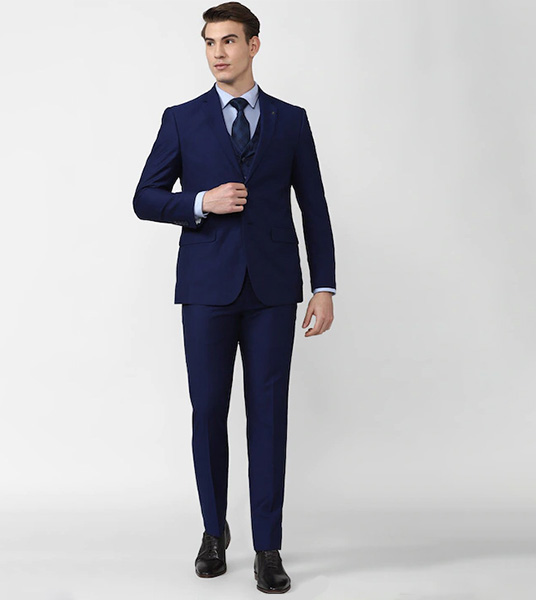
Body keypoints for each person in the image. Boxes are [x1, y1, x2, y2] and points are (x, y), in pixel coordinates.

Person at [132, 1, 336, 593]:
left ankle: (267, 547)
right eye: (208, 42)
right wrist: (200, 202)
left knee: (269, 418)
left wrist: (323, 286)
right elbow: (145, 197)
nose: (217, 52)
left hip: (273, 290)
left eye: (228, 40)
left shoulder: (291, 120)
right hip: (206, 289)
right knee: (208, 414)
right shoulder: (182, 119)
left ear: (253, 45)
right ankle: (213, 532)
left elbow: (314, 208)